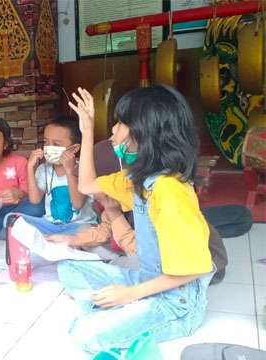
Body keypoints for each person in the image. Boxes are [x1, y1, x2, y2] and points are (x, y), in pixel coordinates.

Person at [59, 85, 214, 354]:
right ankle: (123, 308)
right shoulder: (138, 178)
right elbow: (86, 185)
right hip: (147, 280)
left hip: (177, 303)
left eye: (120, 123)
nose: (113, 131)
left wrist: (129, 294)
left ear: (144, 132)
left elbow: (193, 269)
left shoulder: (170, 190)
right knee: (67, 269)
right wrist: (86, 131)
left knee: (84, 334)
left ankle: (123, 309)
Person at [49, 139, 230, 284]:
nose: (91, 192)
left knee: (116, 269)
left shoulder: (152, 194)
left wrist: (116, 215)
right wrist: (73, 240)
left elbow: (142, 254)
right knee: (85, 240)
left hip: (199, 269)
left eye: (96, 185)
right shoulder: (116, 196)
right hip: (158, 262)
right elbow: (104, 229)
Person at [22, 115, 96, 235]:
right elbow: (35, 200)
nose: (49, 147)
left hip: (80, 225)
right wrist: (30, 167)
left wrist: (69, 170)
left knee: (88, 234)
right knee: (21, 226)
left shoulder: (84, 169)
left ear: (74, 148)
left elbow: (77, 204)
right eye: (46, 142)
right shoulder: (43, 169)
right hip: (52, 225)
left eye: (56, 144)